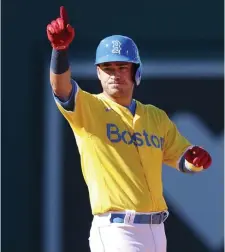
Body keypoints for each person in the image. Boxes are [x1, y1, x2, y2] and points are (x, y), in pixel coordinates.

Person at [46, 6, 212, 252]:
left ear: (136, 71)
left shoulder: (155, 116)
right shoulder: (88, 108)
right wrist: (59, 52)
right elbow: (61, 88)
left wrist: (193, 158)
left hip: (157, 230)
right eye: (108, 68)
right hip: (116, 229)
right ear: (98, 73)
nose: (115, 74)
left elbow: (182, 158)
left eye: (122, 67)